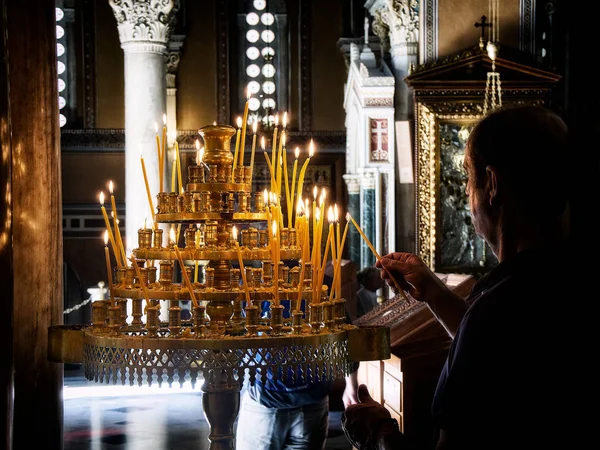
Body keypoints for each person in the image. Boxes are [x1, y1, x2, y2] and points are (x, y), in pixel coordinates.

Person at [340, 105, 592, 449]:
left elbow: (490, 339)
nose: (468, 199)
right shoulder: (557, 279)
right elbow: (499, 352)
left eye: (468, 178)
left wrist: (379, 431)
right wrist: (432, 292)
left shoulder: (498, 310)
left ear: (492, 185)